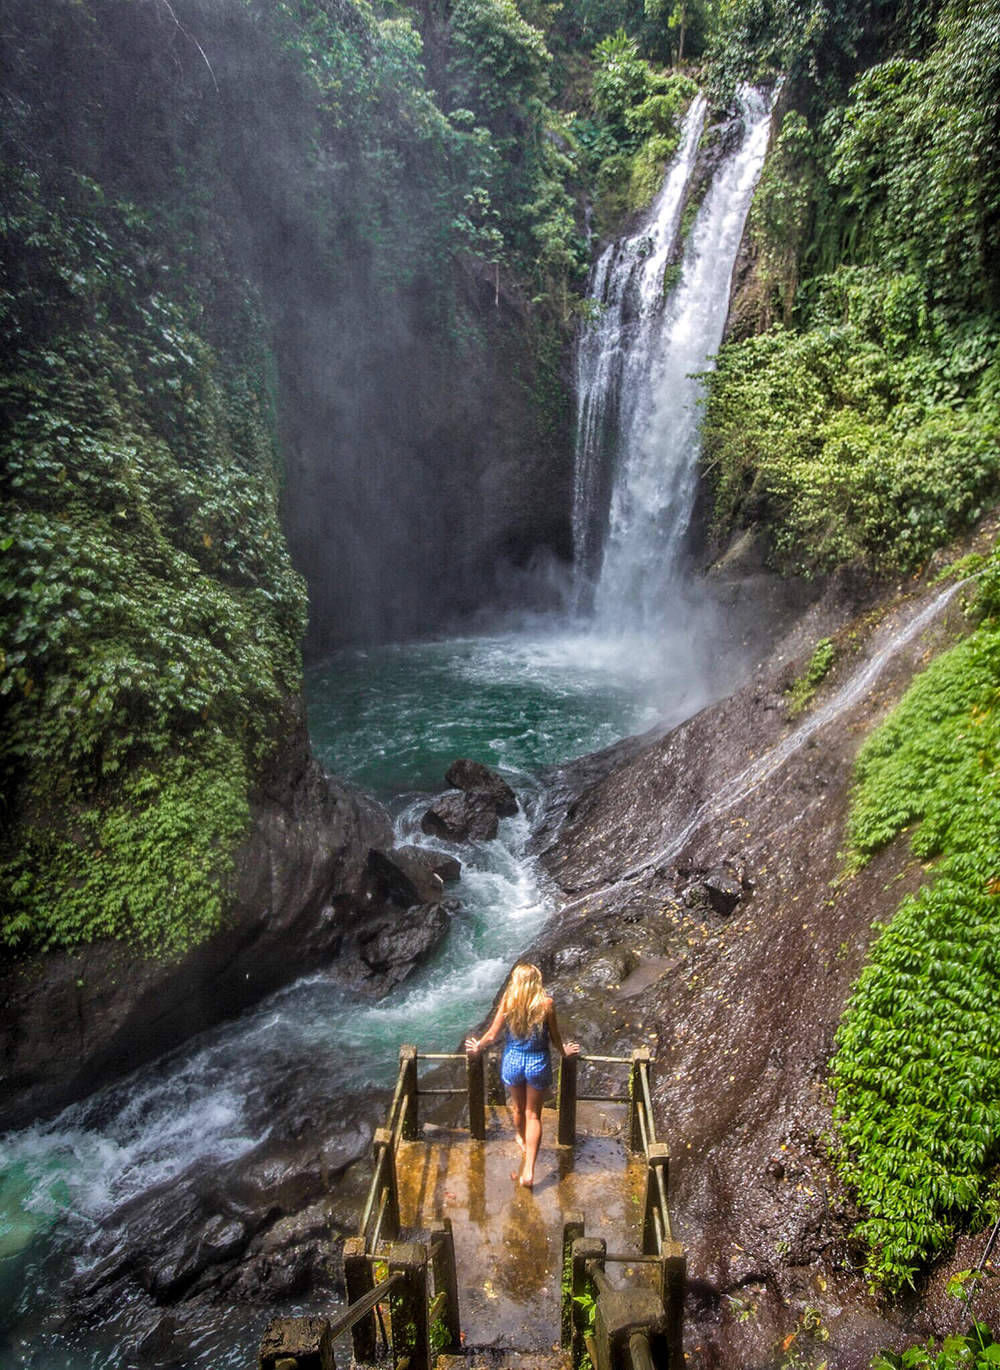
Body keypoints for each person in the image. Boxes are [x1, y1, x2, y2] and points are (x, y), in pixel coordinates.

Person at [465, 963, 578, 1189]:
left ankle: (521, 1138)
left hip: (513, 1061)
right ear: (536, 982)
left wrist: (478, 1046)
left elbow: (492, 1034)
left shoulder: (509, 1001)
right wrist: (564, 1052)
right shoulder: (546, 1004)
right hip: (537, 1061)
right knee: (533, 1115)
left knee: (518, 1109)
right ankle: (528, 1171)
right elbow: (555, 1037)